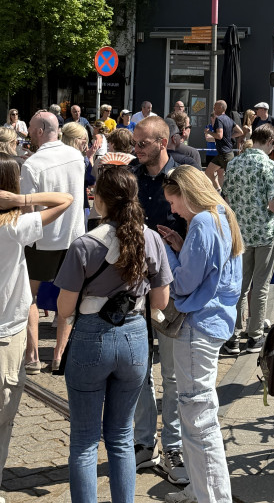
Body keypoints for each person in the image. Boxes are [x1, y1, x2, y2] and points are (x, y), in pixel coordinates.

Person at [55, 165, 172, 503]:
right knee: (121, 437)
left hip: (91, 338)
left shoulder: (84, 245)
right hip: (135, 338)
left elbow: (64, 308)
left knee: (84, 441)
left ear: (101, 200)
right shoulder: (151, 239)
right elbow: (161, 301)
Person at [160, 167, 243, 503]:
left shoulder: (203, 222)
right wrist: (182, 247)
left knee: (198, 416)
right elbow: (214, 271)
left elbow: (183, 283)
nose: (173, 210)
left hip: (198, 324)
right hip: (215, 321)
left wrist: (167, 255)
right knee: (197, 413)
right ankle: (200, 489)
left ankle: (212, 497)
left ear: (187, 193)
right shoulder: (222, 213)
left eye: (173, 201)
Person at [0, 157, 73, 495]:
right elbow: (66, 200)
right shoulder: (13, 226)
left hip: (9, 330)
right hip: (6, 333)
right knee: (3, 418)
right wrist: (21, 200)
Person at [130, 116, 189, 485]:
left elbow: (202, 223)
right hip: (134, 287)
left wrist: (181, 246)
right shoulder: (131, 177)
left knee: (171, 372)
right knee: (138, 370)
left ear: (163, 142)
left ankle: (174, 445)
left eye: (143, 143)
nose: (136, 150)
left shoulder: (183, 178)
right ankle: (143, 441)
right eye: (135, 143)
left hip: (170, 289)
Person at [20, 111, 85, 373]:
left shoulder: (32, 165)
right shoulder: (77, 156)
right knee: (68, 297)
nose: (28, 132)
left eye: (30, 128)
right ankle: (59, 355)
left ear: (39, 131)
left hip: (41, 240)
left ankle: (32, 355)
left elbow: (28, 211)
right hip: (73, 237)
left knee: (27, 296)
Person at [222, 124, 274, 355]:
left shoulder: (234, 163)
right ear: (269, 141)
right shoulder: (268, 165)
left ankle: (233, 336)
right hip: (264, 232)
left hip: (240, 232)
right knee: (260, 286)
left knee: (239, 285)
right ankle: (255, 335)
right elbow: (273, 204)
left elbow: (226, 197)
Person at [205, 101, 243, 192]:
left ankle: (232, 195)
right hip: (222, 154)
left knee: (231, 179)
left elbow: (219, 136)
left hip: (226, 155)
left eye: (215, 107)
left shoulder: (219, 119)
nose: (214, 109)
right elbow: (240, 132)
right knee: (208, 172)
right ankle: (219, 190)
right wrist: (229, 136)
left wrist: (208, 132)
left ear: (221, 108)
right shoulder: (229, 119)